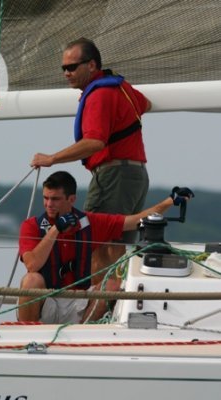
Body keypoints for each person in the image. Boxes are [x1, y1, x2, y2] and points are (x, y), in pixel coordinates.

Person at [31, 37, 151, 273]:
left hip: (113, 176)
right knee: (117, 246)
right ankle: (111, 304)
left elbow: (95, 142)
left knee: (95, 245)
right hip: (135, 175)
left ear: (92, 65)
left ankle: (98, 305)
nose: (66, 73)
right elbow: (144, 104)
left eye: (72, 67)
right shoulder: (119, 87)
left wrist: (52, 159)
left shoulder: (99, 94)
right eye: (64, 68)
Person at [18, 171, 194, 324]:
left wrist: (170, 201)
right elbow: (32, 265)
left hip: (79, 302)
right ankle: (25, 335)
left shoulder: (90, 222)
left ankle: (81, 335)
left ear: (71, 200)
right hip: (47, 299)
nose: (49, 204)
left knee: (112, 286)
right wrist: (56, 229)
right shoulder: (31, 226)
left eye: (55, 199)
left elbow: (134, 220)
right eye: (46, 198)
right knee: (31, 280)